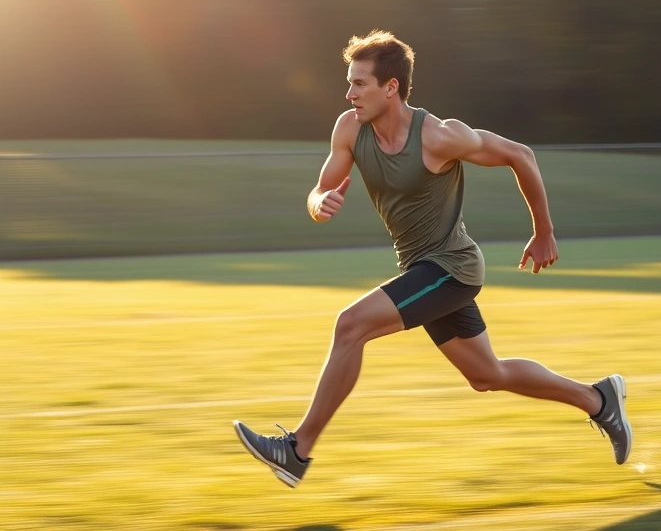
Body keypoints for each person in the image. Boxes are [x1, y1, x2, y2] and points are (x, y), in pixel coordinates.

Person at [233, 30, 631, 487]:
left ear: (391, 87)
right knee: (487, 374)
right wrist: (319, 200)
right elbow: (321, 186)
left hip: (451, 269)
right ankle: (599, 400)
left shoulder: (440, 137)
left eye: (359, 83)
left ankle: (297, 451)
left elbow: (520, 155)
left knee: (351, 324)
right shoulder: (350, 128)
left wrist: (543, 232)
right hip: (421, 270)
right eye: (349, 82)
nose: (349, 93)